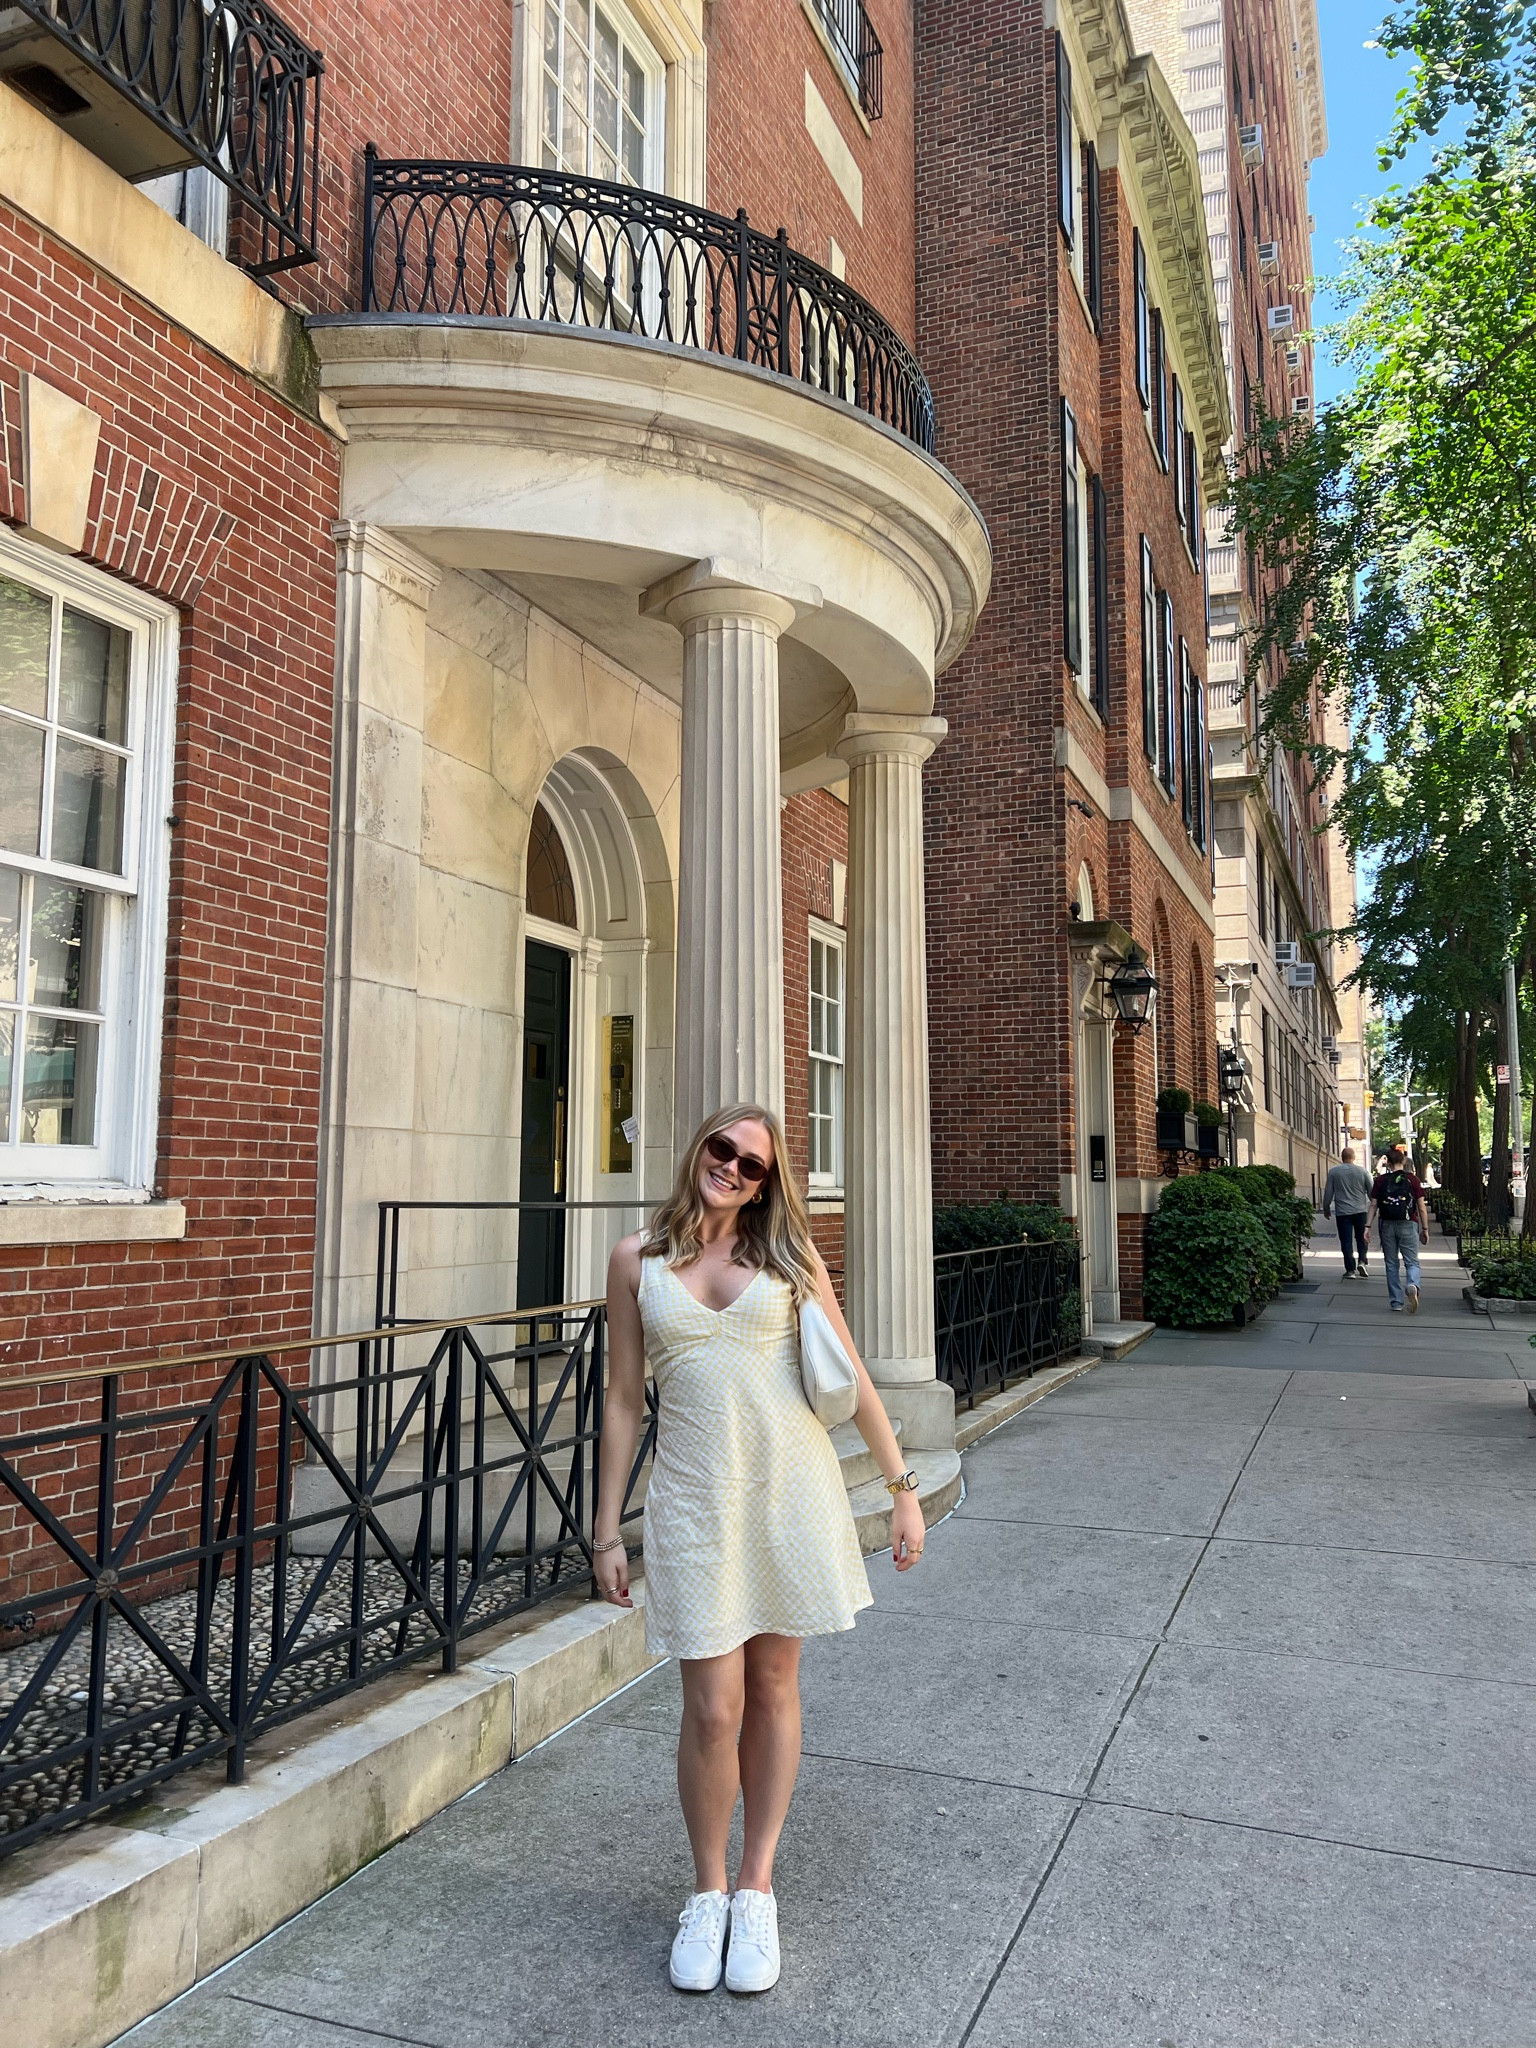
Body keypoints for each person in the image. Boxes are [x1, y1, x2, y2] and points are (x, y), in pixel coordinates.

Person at [593, 1104, 924, 1997]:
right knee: (711, 1708)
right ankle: (706, 1893)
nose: (733, 1169)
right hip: (694, 1503)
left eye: (753, 1165)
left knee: (774, 1688)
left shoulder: (787, 1256)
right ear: (697, 1148)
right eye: (723, 1150)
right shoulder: (634, 1260)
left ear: (767, 1184)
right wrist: (605, 1529)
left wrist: (901, 1490)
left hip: (790, 1497)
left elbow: (852, 1376)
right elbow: (623, 1400)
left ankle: (756, 1886)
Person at [1366, 1143, 1430, 1312]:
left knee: (1391, 1263)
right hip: (1408, 1223)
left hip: (1387, 1224)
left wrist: (1367, 1226)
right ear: (1404, 1161)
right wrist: (1425, 1229)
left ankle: (1396, 1302)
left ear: (1387, 1162)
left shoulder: (1380, 1181)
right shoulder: (1412, 1180)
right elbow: (1421, 1207)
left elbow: (1373, 1205)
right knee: (1412, 1261)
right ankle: (1412, 1284)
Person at [1321, 1146, 1374, 1279]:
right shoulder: (1363, 1171)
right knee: (1362, 1237)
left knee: (1346, 1241)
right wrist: (1374, 1207)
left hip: (1343, 1212)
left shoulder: (1334, 1172)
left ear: (1342, 1157)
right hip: (1360, 1210)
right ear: (1354, 1157)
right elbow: (1371, 1191)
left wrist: (1326, 1207)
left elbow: (1328, 1191)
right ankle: (1362, 1261)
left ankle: (1350, 1270)